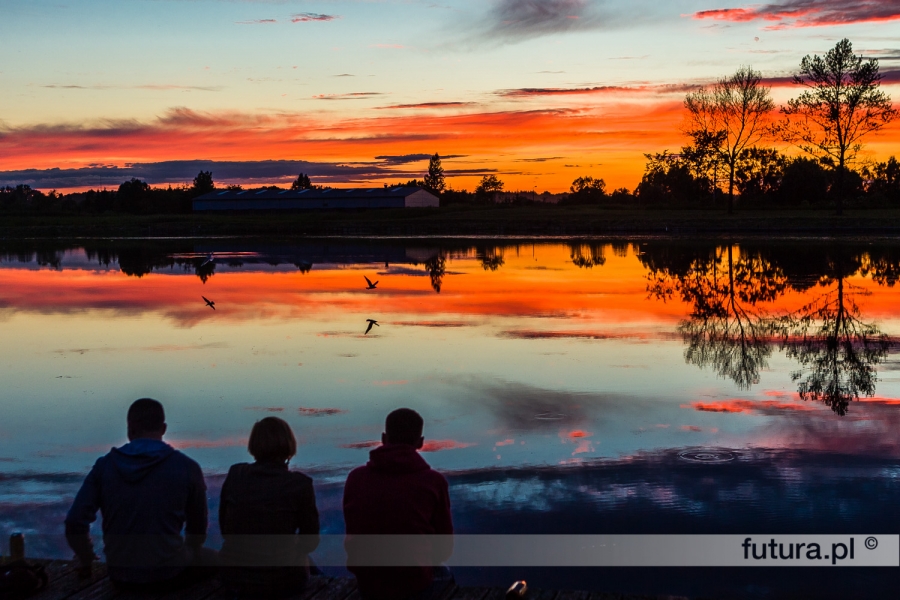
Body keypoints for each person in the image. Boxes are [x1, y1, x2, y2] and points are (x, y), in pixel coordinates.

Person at [65, 398, 215, 588]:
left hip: (119, 575)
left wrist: (86, 558)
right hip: (170, 574)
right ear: (163, 428)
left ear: (130, 429)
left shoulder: (104, 466)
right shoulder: (187, 467)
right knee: (217, 559)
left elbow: (75, 521)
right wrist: (186, 550)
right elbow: (197, 531)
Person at [343, 408, 454, 600]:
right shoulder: (433, 482)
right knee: (445, 573)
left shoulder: (356, 478)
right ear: (420, 442)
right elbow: (444, 548)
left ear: (384, 438)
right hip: (413, 584)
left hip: (368, 582)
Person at [219, 417, 320, 598]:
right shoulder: (300, 484)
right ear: (289, 444)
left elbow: (225, 530)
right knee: (306, 560)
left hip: (233, 578)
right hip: (280, 582)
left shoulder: (236, 474)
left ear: (254, 444)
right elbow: (310, 542)